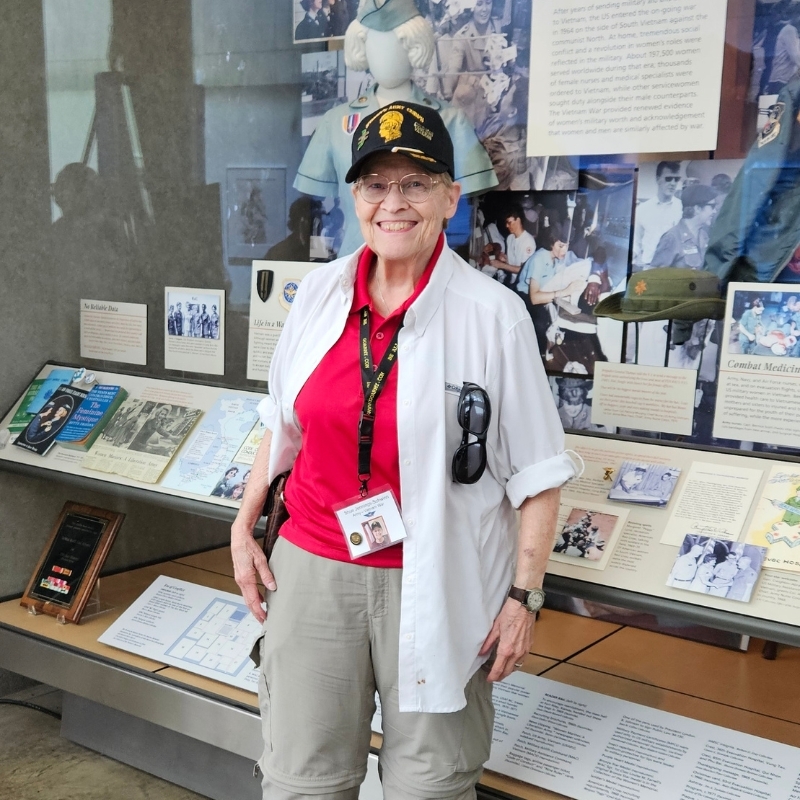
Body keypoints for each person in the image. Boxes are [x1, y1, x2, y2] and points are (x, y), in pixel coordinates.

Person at [231, 101, 575, 800]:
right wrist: (244, 522)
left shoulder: (493, 315)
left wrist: (523, 597)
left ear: (450, 196)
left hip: (443, 581)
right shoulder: (319, 295)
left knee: (431, 786)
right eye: (375, 184)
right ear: (354, 197)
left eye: (415, 183)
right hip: (315, 571)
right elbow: (283, 424)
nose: (394, 203)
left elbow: (538, 475)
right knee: (302, 781)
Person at [650, 184, 717, 269]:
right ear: (697, 208)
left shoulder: (704, 235)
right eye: (712, 206)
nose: (715, 211)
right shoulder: (672, 238)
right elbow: (655, 276)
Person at [632, 161, 683, 268]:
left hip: (673, 268)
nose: (673, 183)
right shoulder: (642, 209)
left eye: (676, 179)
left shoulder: (681, 208)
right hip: (649, 267)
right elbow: (636, 242)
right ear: (658, 179)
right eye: (668, 178)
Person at [494, 206, 535, 287]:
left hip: (522, 285)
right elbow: (512, 262)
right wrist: (504, 259)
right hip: (512, 281)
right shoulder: (510, 238)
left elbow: (523, 270)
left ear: (518, 220)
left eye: (509, 222)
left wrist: (501, 265)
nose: (506, 226)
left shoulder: (528, 241)